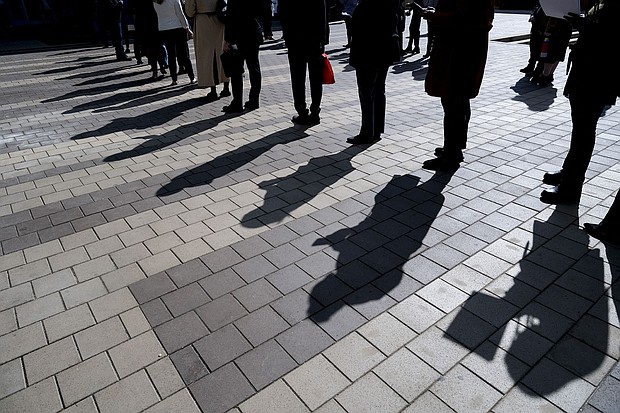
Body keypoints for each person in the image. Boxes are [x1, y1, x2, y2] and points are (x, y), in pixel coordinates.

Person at [540, 0, 620, 204]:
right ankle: (568, 174)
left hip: (597, 77)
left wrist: (585, 26)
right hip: (587, 72)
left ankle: (570, 189)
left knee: (583, 134)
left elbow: (611, 37)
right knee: (580, 132)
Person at [419, 0, 494, 171]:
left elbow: (464, 19)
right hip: (462, 50)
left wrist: (435, 16)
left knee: (454, 102)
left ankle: (450, 156)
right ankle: (454, 148)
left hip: (459, 52)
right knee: (457, 102)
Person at [346, 0, 400, 145]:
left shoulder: (367, 4)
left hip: (368, 50)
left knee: (366, 92)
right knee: (379, 89)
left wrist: (352, 18)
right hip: (386, 47)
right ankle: (376, 129)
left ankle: (367, 132)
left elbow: (360, 25)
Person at [278, 0, 328, 126]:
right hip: (315, 41)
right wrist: (323, 41)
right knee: (316, 79)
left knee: (298, 79)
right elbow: (322, 15)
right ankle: (315, 112)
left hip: (296, 41)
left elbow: (283, 15)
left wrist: (288, 38)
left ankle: (302, 112)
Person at [185, 0, 231, 102]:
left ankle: (213, 89)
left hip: (203, 21)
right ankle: (226, 86)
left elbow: (189, 11)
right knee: (222, 52)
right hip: (220, 18)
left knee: (207, 55)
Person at [153, 0, 196, 86]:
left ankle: (174, 79)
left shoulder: (155, 1)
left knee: (171, 55)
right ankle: (191, 77)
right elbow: (180, 14)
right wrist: (187, 28)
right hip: (177, 27)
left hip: (164, 28)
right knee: (184, 54)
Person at [530, 15, 572, 86]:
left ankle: (545, 76)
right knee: (557, 53)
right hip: (562, 30)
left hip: (555, 31)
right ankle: (549, 74)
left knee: (551, 53)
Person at [519, 1, 546, 78]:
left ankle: (539, 69)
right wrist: (532, 16)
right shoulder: (539, 4)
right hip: (534, 31)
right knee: (533, 49)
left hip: (542, 32)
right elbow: (534, 12)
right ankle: (530, 66)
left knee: (540, 51)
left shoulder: (549, 7)